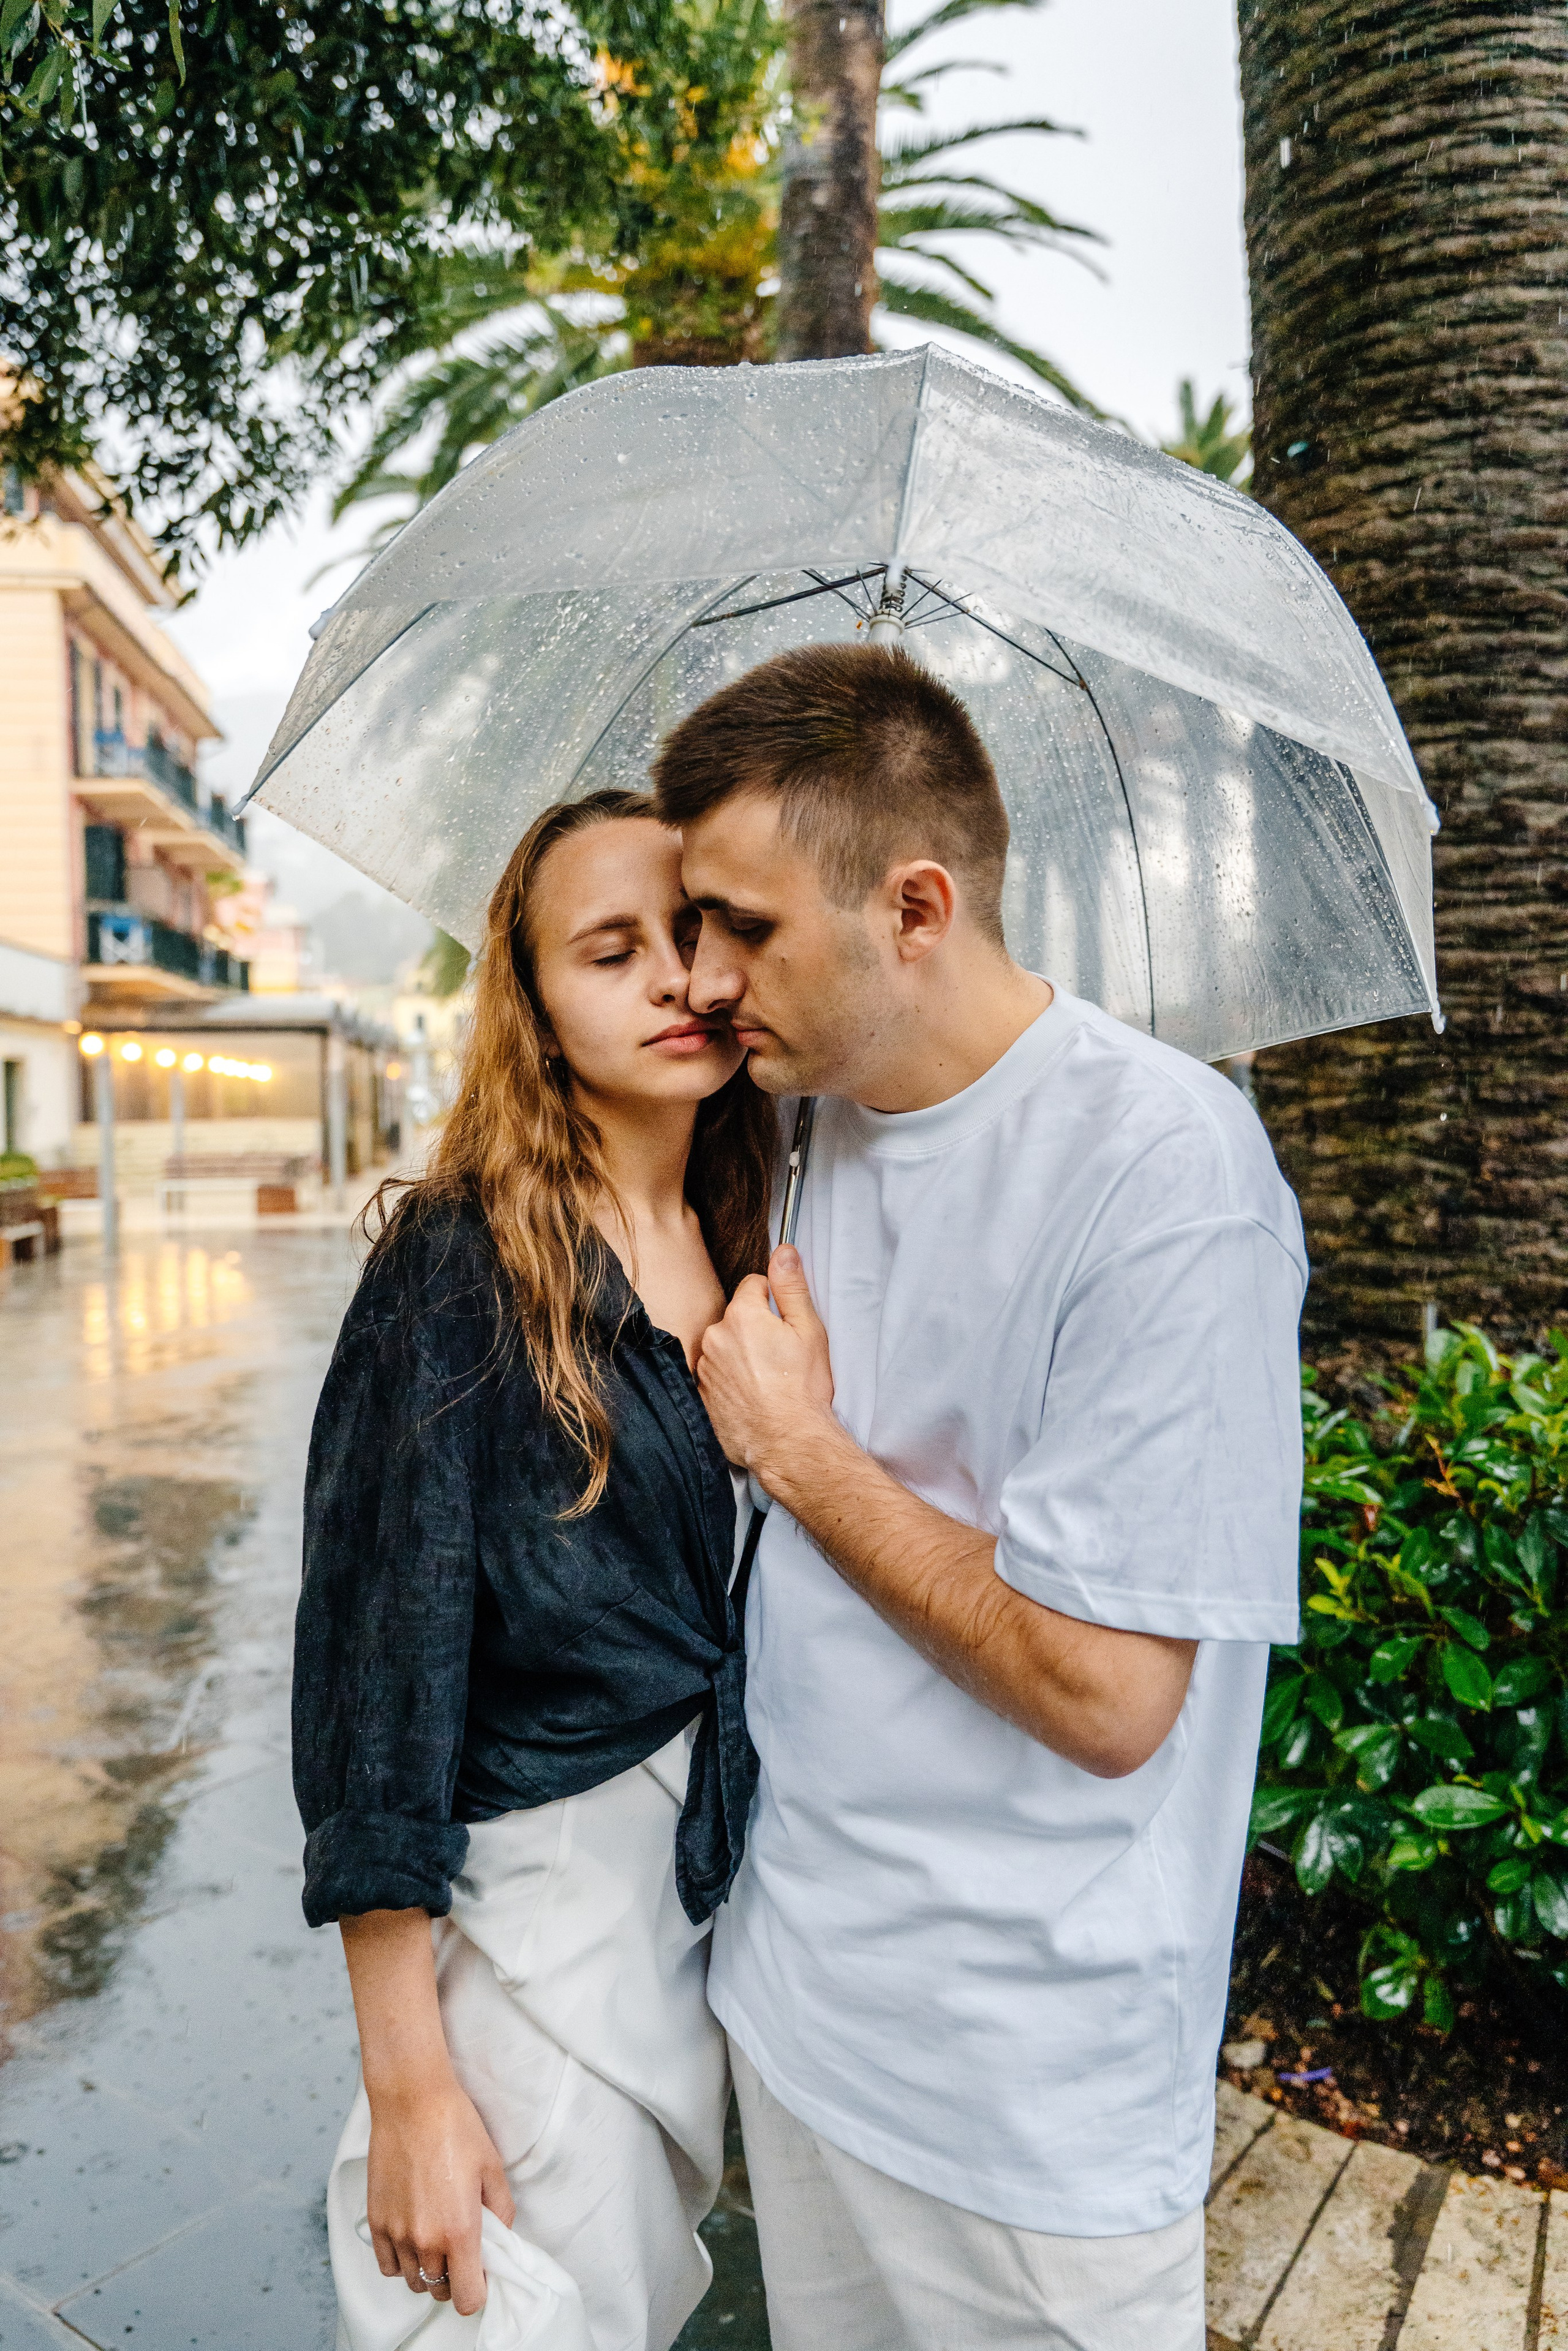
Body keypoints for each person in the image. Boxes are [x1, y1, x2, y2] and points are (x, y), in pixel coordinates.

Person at [649, 643, 1306, 2351]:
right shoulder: (797, 1125)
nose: (709, 979)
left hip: (1025, 2106)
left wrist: (804, 1454)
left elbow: (1107, 1692)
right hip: (799, 2013)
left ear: (917, 905)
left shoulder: (1166, 1176)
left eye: (748, 925)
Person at [291, 790, 777, 2349]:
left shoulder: (755, 1235)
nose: (670, 979)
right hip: (530, 1943)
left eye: (692, 934)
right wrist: (410, 2083)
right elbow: (379, 1678)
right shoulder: (459, 1262)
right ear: (537, 1006)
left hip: (694, 1930)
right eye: (608, 948)